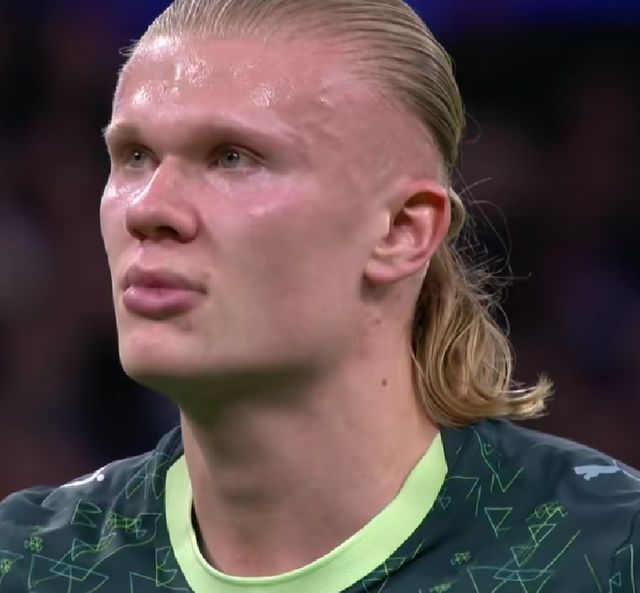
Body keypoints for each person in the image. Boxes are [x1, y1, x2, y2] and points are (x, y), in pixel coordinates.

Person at [1, 0, 638, 591]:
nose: (148, 209)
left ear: (401, 231)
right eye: (135, 156)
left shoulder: (607, 552)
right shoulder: (29, 563)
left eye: (232, 157)